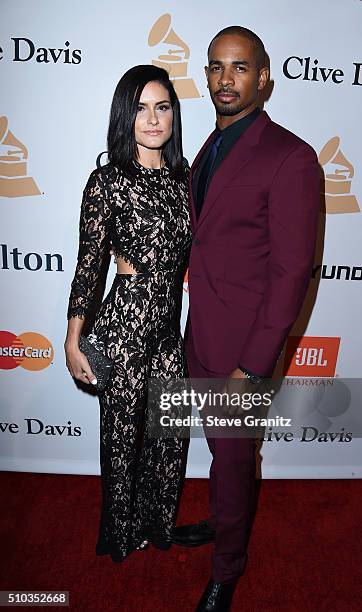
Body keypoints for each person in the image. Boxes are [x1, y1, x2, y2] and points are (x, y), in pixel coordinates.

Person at [172, 26, 320, 611]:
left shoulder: (292, 156)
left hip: (241, 353)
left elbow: (290, 275)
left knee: (235, 460)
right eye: (215, 67)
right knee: (221, 453)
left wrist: (250, 366)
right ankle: (221, 522)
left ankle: (227, 570)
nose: (225, 79)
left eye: (239, 68)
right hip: (200, 332)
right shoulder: (210, 147)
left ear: (263, 78)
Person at [64, 65, 191, 562]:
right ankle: (121, 534)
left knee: (168, 436)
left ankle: (157, 525)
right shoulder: (106, 182)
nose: (153, 119)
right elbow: (89, 266)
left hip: (167, 331)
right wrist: (74, 339)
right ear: (125, 115)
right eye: (140, 108)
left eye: (162, 107)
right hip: (123, 328)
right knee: (121, 442)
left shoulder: (184, 178)